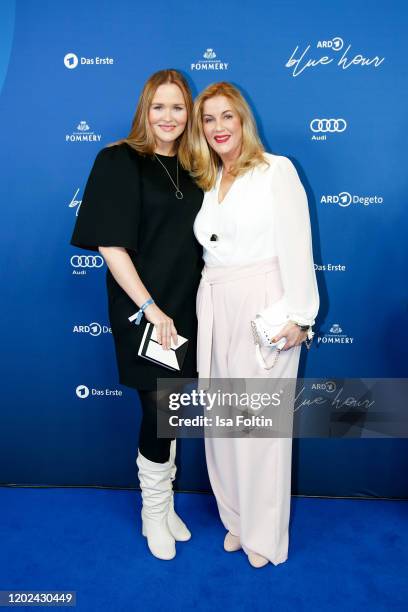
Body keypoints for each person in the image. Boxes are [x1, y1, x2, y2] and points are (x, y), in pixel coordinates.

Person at [70, 69, 203, 561]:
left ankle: (166, 506)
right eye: (159, 106)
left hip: (189, 306)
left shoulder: (195, 167)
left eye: (178, 107)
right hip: (144, 308)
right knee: (156, 409)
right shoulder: (118, 160)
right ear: (145, 111)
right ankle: (153, 512)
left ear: (188, 114)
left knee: (172, 412)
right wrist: (150, 308)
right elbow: (109, 243)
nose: (169, 117)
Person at [191, 82, 319, 568]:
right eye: (209, 119)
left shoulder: (275, 170)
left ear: (244, 120)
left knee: (260, 427)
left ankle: (264, 537)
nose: (219, 127)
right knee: (223, 420)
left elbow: (297, 243)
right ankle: (238, 520)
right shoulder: (206, 179)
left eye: (228, 116)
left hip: (265, 301)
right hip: (215, 301)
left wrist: (300, 315)